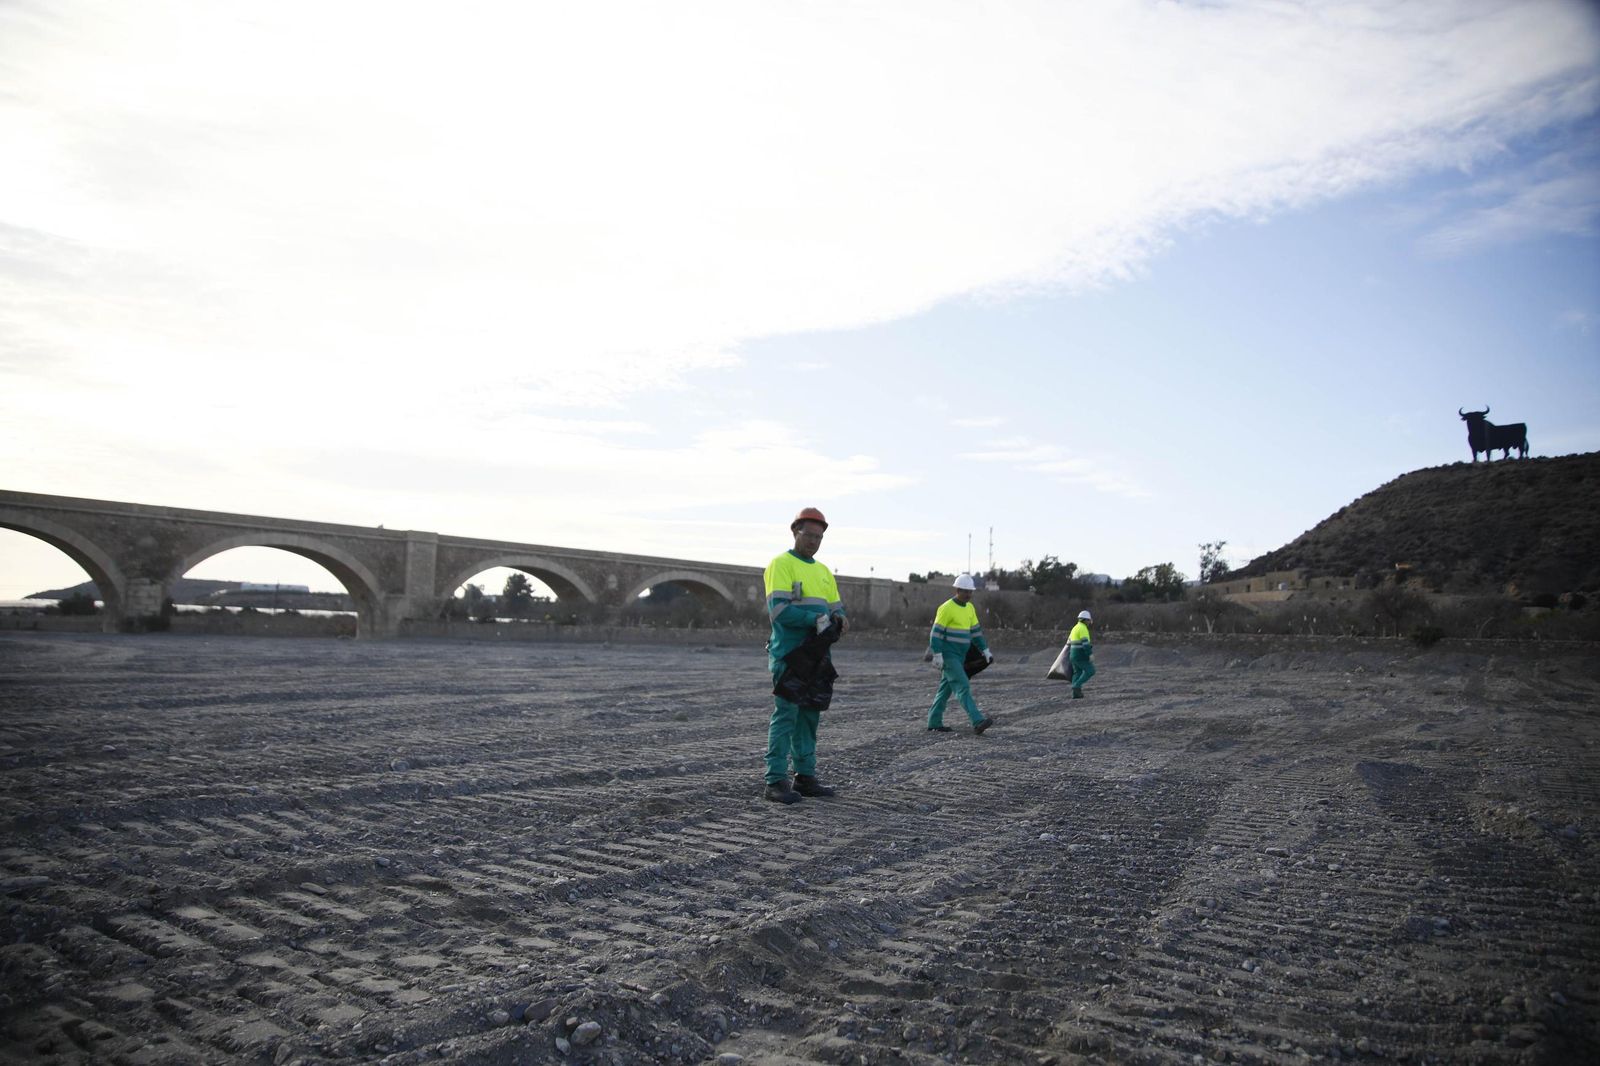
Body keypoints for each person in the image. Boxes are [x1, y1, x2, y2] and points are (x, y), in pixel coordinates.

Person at [761, 507, 847, 804]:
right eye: (809, 534)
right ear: (795, 532)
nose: (814, 541)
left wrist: (840, 618)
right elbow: (779, 611)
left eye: (819, 536)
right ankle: (775, 780)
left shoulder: (823, 572)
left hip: (817, 655)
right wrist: (815, 619)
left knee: (809, 715)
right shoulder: (781, 565)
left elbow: (836, 607)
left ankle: (805, 776)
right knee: (786, 714)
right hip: (790, 654)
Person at [923, 574, 996, 735]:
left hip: (961, 656)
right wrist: (937, 655)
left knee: (945, 690)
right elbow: (935, 634)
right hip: (949, 656)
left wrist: (985, 649)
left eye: (970, 592)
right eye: (965, 591)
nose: (968, 595)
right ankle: (977, 721)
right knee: (962, 686)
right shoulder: (946, 608)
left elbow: (976, 632)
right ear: (957, 590)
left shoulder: (970, 608)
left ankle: (934, 721)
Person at [1068, 609, 1095, 698]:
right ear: (1086, 620)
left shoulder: (1075, 628)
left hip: (1072, 654)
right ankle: (1076, 686)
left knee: (1077, 673)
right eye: (1088, 620)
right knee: (1091, 670)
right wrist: (1090, 654)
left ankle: (1076, 694)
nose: (1089, 622)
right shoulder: (1083, 628)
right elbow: (1085, 643)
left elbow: (1069, 642)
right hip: (1080, 654)